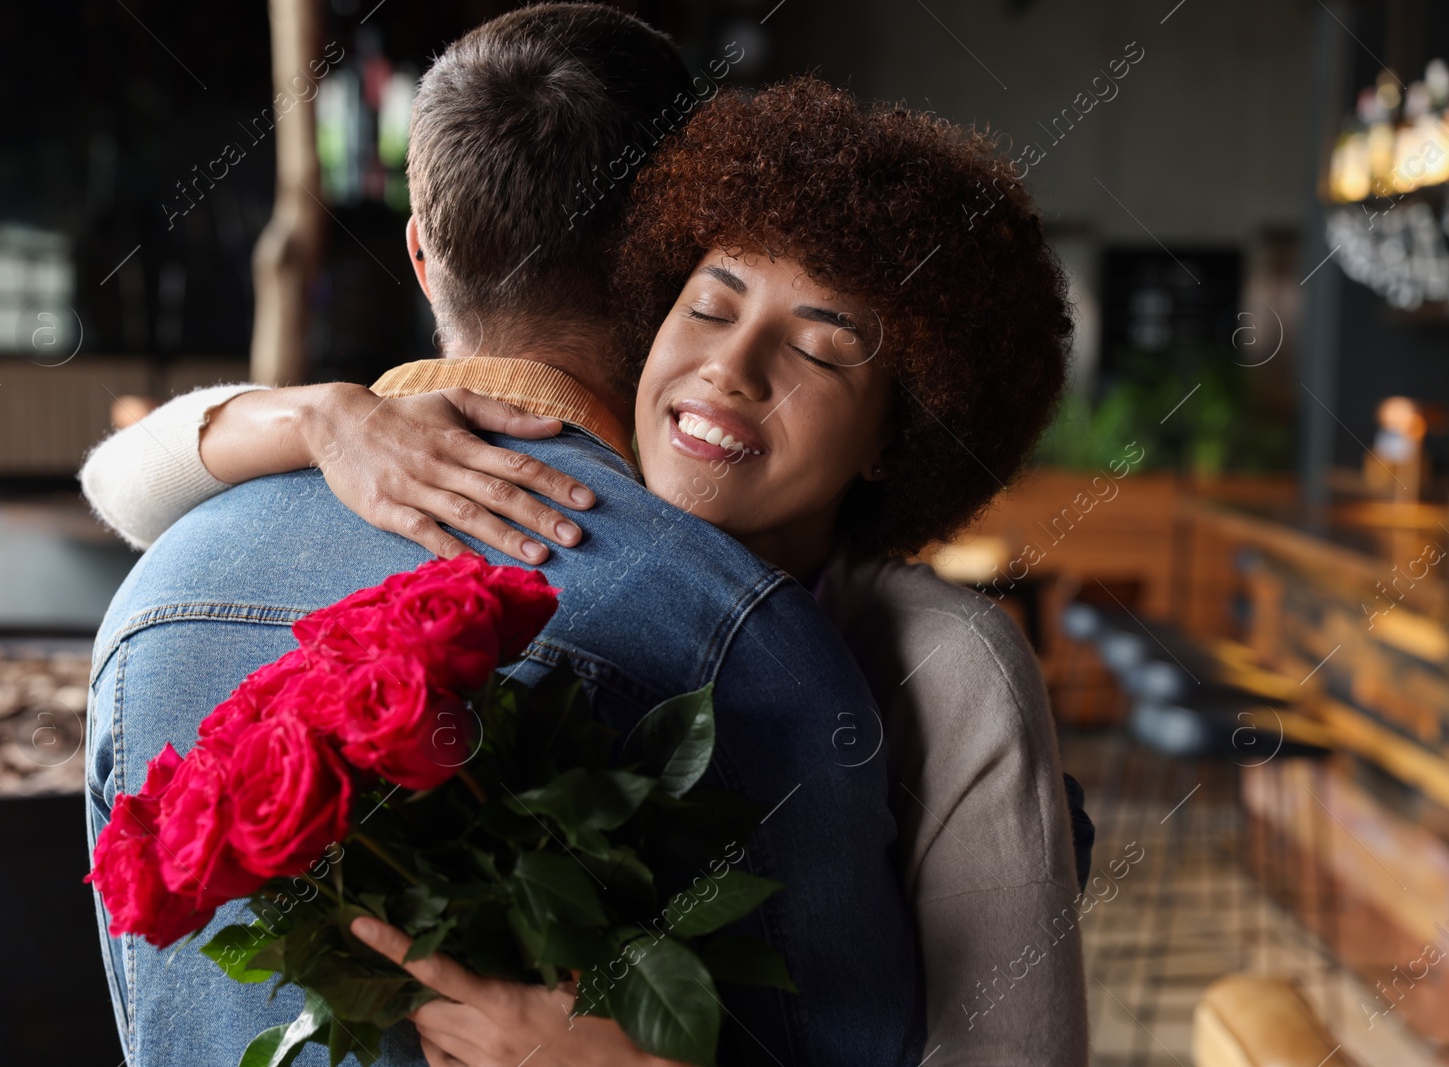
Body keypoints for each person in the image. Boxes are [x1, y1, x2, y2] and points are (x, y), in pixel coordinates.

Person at [84, 71, 1092, 1067]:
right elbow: (125, 478)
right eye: (708, 306)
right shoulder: (556, 526)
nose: (730, 369)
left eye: (820, 354)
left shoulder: (945, 663)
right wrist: (322, 413)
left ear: (900, 428)